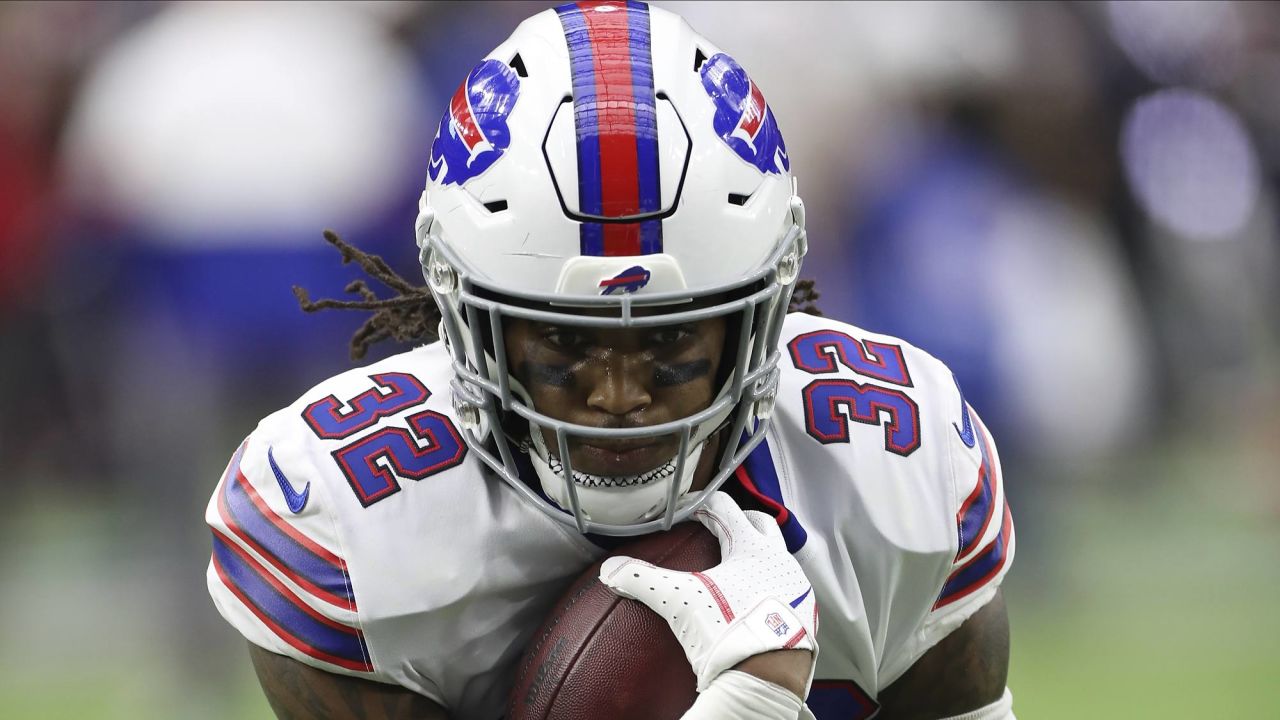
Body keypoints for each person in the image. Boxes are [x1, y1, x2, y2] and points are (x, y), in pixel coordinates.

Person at [205, 2, 1016, 718]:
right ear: (461, 307)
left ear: (759, 315)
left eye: (669, 341)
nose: (619, 394)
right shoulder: (352, 528)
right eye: (563, 343)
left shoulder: (896, 471)